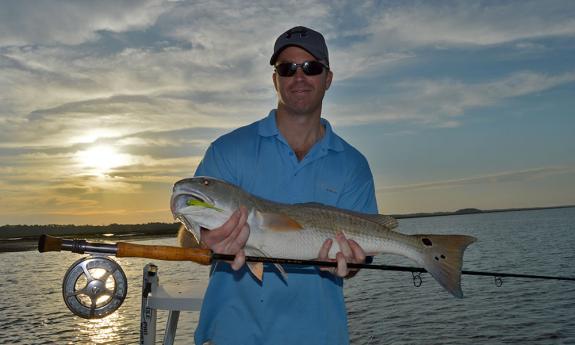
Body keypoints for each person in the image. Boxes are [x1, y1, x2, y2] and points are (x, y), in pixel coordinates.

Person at [192, 26, 378, 345]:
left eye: (312, 67)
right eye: (287, 68)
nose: (299, 76)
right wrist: (205, 238)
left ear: (328, 78)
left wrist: (350, 266)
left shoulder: (354, 165)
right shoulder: (227, 150)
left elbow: (360, 256)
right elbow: (188, 234)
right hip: (230, 335)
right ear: (275, 79)